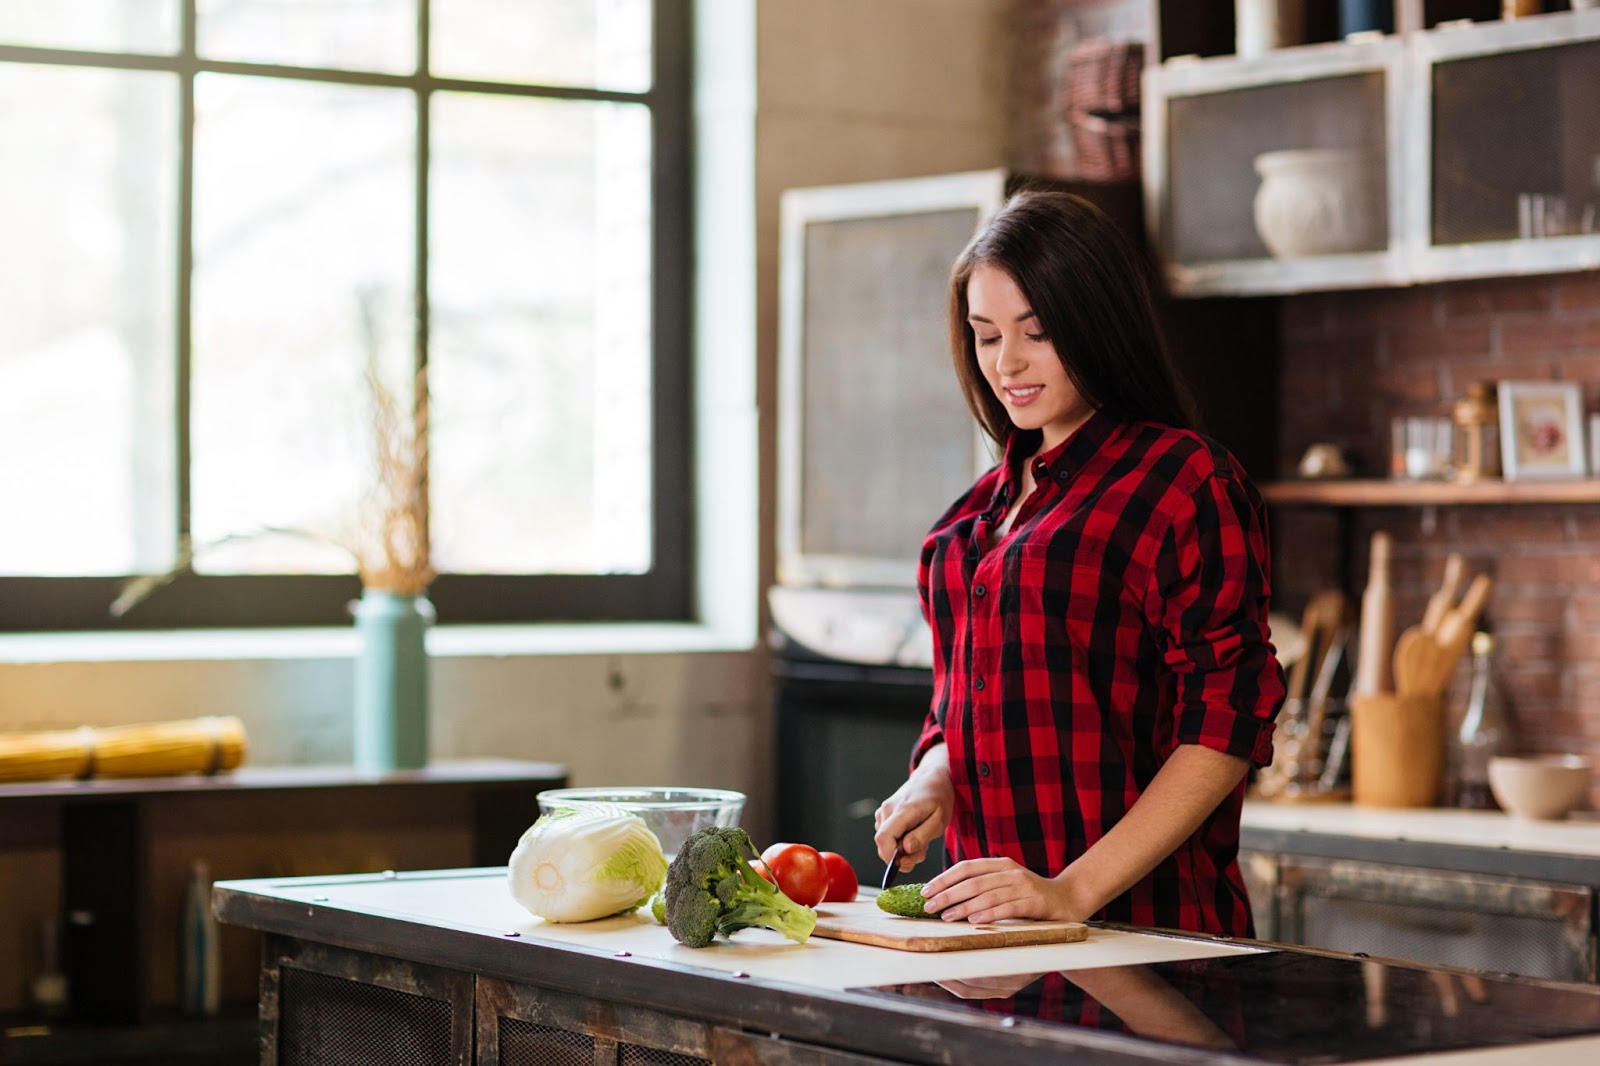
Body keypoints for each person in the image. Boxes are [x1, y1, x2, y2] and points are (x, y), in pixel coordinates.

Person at [872, 189, 1285, 937]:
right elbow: (957, 708)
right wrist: (935, 779)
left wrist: (1069, 891)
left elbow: (1227, 724)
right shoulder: (964, 526)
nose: (1009, 363)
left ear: (1097, 323)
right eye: (986, 335)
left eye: (1038, 331)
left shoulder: (1184, 481)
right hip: (989, 944)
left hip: (1149, 936)